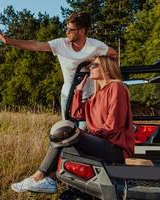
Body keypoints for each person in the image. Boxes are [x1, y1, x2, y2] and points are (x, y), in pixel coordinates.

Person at [10, 55, 135, 194]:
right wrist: (78, 91)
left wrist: (86, 135)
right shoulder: (96, 95)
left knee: (66, 130)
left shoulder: (116, 87)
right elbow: (76, 114)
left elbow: (114, 125)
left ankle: (40, 177)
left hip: (114, 148)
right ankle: (49, 179)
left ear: (106, 68)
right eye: (89, 66)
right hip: (101, 143)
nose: (90, 69)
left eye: (94, 65)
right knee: (64, 132)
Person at [0, 12, 117, 119]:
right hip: (67, 96)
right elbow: (35, 45)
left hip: (89, 97)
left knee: (86, 134)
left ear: (82, 31)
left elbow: (114, 54)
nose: (67, 32)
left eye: (71, 29)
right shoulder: (61, 44)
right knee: (68, 134)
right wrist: (9, 41)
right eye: (67, 28)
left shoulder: (95, 46)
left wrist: (96, 60)